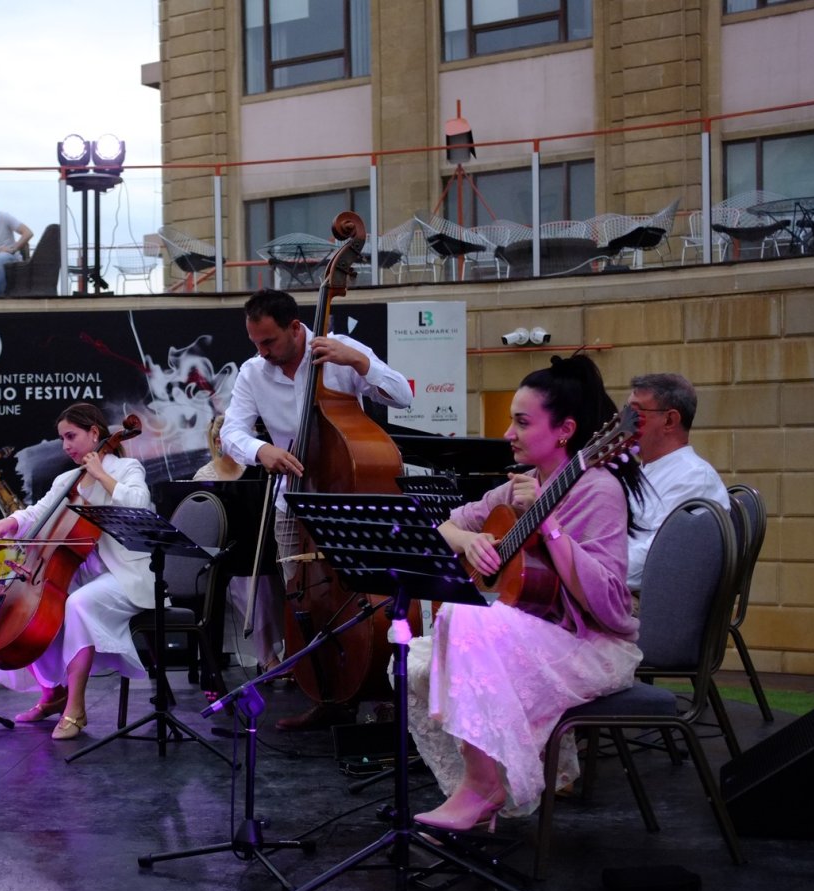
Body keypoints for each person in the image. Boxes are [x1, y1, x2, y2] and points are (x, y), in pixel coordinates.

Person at [405, 353, 646, 831]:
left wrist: (551, 524)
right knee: (423, 649)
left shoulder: (598, 490)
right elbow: (445, 526)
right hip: (532, 633)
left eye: (520, 422)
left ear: (564, 430)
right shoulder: (519, 485)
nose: (507, 434)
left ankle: (484, 787)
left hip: (587, 645)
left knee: (463, 619)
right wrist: (469, 541)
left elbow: (610, 604)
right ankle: (477, 792)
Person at [218, 287, 414, 727]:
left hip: (351, 497)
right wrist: (260, 450)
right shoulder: (253, 372)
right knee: (303, 598)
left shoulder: (342, 351)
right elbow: (232, 432)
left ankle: (384, 687)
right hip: (293, 500)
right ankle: (328, 694)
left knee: (365, 594)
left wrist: (359, 362)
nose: (262, 351)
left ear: (294, 328)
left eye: (268, 341)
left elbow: (403, 396)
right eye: (255, 343)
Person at [0, 402, 154, 740]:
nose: (66, 446)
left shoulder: (128, 467)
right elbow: (37, 513)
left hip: (125, 577)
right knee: (28, 611)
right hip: (85, 575)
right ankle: (52, 693)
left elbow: (137, 504)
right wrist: (9, 521)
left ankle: (76, 707)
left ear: (94, 433)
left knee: (77, 605)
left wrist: (101, 474)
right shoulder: (66, 479)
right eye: (61, 439)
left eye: (71, 436)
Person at [192, 414, 280, 672]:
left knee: (268, 578)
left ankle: (288, 650)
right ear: (219, 442)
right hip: (224, 558)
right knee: (253, 585)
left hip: (257, 552)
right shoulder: (204, 475)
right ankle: (268, 657)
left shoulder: (256, 473)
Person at [625, 372, 729, 592]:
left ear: (670, 420)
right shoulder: (643, 471)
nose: (624, 422)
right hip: (618, 594)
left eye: (635, 413)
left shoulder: (694, 478)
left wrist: (587, 576)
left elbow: (656, 559)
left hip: (643, 604)